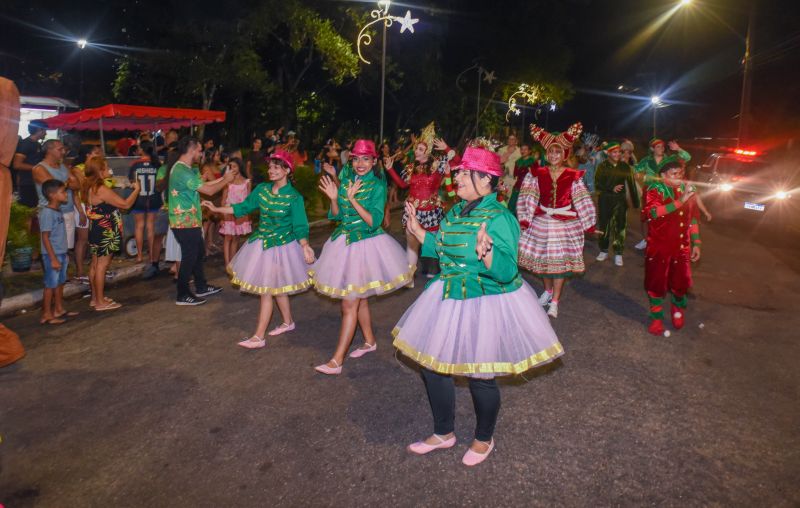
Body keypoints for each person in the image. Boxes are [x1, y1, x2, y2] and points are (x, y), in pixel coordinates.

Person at [393, 143, 563, 466]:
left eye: (463, 174)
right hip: (449, 296)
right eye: (458, 173)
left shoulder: (500, 217)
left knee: (479, 374)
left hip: (485, 300)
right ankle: (444, 432)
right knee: (433, 366)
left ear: (485, 181)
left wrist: (488, 256)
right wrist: (418, 232)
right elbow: (444, 248)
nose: (456, 178)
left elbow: (508, 270)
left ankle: (484, 437)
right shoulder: (456, 211)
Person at [313, 139, 413, 375]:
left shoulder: (378, 187)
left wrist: (354, 199)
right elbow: (336, 216)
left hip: (366, 244)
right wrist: (335, 198)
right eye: (356, 158)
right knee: (361, 298)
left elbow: (373, 222)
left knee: (349, 303)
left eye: (365, 159)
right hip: (343, 243)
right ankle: (369, 341)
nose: (360, 163)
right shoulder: (347, 180)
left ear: (374, 161)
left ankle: (337, 360)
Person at [203, 149, 315, 347]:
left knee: (267, 289)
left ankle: (258, 336)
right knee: (276, 287)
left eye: (275, 167)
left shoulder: (294, 197)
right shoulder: (262, 189)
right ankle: (288, 322)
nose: (270, 170)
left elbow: (300, 225)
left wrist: (305, 246)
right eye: (270, 167)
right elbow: (242, 207)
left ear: (287, 171)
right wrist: (217, 209)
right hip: (261, 245)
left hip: (283, 247)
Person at [517, 122, 596, 318]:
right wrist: (525, 218)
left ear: (565, 155)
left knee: (558, 264)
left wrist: (588, 221)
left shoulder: (572, 175)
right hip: (542, 221)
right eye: (551, 152)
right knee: (544, 261)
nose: (553, 156)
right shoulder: (537, 173)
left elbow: (582, 198)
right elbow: (527, 196)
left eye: (557, 152)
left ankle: (555, 302)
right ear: (546, 154)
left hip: (564, 223)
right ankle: (547, 291)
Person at [166, 136, 235, 306]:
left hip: (190, 220)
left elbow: (206, 185)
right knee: (190, 257)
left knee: (198, 254)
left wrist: (224, 178)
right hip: (183, 222)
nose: (201, 153)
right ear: (191, 150)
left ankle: (201, 286)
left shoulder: (187, 169)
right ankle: (182, 294)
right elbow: (210, 190)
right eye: (199, 150)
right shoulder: (182, 171)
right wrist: (226, 180)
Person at [382, 123, 457, 278]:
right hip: (413, 212)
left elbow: (457, 162)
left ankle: (433, 271)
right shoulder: (410, 168)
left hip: (432, 213)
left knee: (431, 244)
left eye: (420, 149)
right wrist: (389, 169)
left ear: (428, 151)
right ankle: (409, 275)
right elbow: (402, 184)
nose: (416, 151)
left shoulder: (438, 166)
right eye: (416, 148)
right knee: (412, 245)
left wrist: (447, 148)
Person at [642, 158, 701, 335]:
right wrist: (679, 201)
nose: (678, 177)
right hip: (659, 246)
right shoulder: (655, 189)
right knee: (656, 283)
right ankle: (657, 318)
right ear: (662, 175)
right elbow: (653, 213)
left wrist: (696, 242)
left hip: (681, 247)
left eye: (680, 173)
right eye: (674, 173)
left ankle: (677, 309)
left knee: (681, 282)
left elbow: (693, 217)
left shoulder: (688, 190)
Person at [83, 156, 141, 311]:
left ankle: (96, 298)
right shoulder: (100, 189)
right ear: (99, 171)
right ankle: (101, 302)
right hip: (105, 231)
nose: (110, 169)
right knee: (102, 266)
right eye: (106, 167)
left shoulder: (90, 186)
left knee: (95, 265)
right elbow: (125, 204)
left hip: (97, 228)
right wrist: (137, 190)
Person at [33, 139, 86, 268]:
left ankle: (63, 275)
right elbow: (55, 188)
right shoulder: (39, 168)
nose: (63, 152)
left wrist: (66, 184)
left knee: (65, 247)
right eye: (60, 149)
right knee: (53, 246)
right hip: (50, 213)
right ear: (49, 150)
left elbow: (76, 185)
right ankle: (54, 274)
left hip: (67, 211)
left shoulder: (62, 166)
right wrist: (67, 182)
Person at [634, 138, 691, 250]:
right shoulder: (646, 160)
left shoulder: (670, 159)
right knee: (647, 216)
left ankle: (662, 239)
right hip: (649, 191)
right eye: (658, 146)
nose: (662, 148)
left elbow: (687, 157)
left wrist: (678, 149)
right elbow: (635, 169)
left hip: (666, 190)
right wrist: (637, 174)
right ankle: (646, 239)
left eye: (663, 146)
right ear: (652, 149)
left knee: (666, 215)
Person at [39, 180, 80, 324]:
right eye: (62, 192)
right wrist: (53, 258)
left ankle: (58, 308)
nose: (66, 194)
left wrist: (64, 254)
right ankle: (46, 314)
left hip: (60, 253)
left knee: (60, 282)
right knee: (50, 284)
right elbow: (45, 237)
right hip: (53, 255)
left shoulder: (58, 210)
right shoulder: (47, 213)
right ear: (52, 195)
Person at [594, 141, 640, 266]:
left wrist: (636, 204)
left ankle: (618, 253)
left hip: (620, 201)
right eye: (614, 152)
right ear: (608, 153)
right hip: (605, 199)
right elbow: (597, 184)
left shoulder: (625, 167)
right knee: (604, 225)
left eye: (619, 152)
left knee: (620, 227)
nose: (617, 154)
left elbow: (632, 186)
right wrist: (611, 188)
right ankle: (603, 250)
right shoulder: (602, 166)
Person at [128, 141, 164, 276]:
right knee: (150, 227)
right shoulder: (157, 163)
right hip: (154, 199)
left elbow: (131, 181)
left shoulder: (135, 165)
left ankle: (139, 255)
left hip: (139, 199)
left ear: (141, 150)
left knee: (139, 226)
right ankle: (151, 255)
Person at [70, 144, 103, 284]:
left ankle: (97, 267)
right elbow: (78, 191)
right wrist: (81, 212)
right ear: (87, 155)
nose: (99, 154)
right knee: (83, 240)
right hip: (82, 206)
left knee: (96, 238)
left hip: (94, 204)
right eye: (96, 152)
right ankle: (79, 271)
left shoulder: (97, 167)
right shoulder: (78, 169)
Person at [218, 158, 252, 266]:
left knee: (236, 237)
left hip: (240, 213)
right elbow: (223, 200)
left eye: (234, 166)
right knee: (228, 237)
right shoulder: (227, 182)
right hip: (228, 212)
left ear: (239, 167)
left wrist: (248, 215)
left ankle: (233, 263)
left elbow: (248, 201)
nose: (232, 169)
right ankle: (227, 263)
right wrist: (222, 216)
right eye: (230, 166)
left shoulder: (247, 182)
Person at [12, 120, 47, 207]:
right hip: (27, 183)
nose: (46, 133)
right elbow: (17, 164)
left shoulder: (37, 144)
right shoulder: (26, 144)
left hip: (35, 182)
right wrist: (38, 168)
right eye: (45, 130)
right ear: (39, 130)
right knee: (28, 211)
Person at [507, 144, 538, 215]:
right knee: (512, 205)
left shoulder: (533, 161)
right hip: (518, 186)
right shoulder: (518, 161)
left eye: (525, 149)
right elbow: (515, 175)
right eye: (521, 149)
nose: (523, 151)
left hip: (529, 188)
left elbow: (536, 174)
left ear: (529, 151)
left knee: (525, 209)